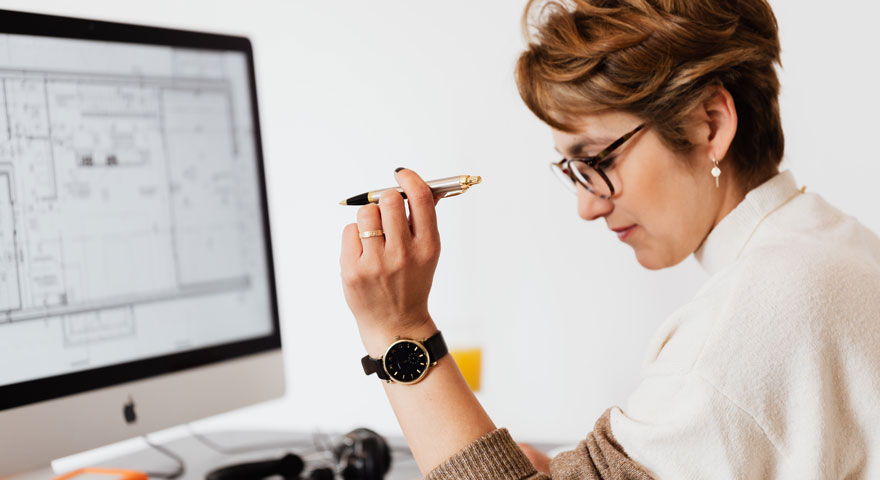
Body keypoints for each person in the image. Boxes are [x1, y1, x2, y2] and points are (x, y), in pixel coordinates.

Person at [339, 0, 880, 478]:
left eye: (596, 159)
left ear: (708, 125)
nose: (587, 206)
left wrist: (398, 328)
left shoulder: (748, 319)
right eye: (571, 170)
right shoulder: (832, 245)